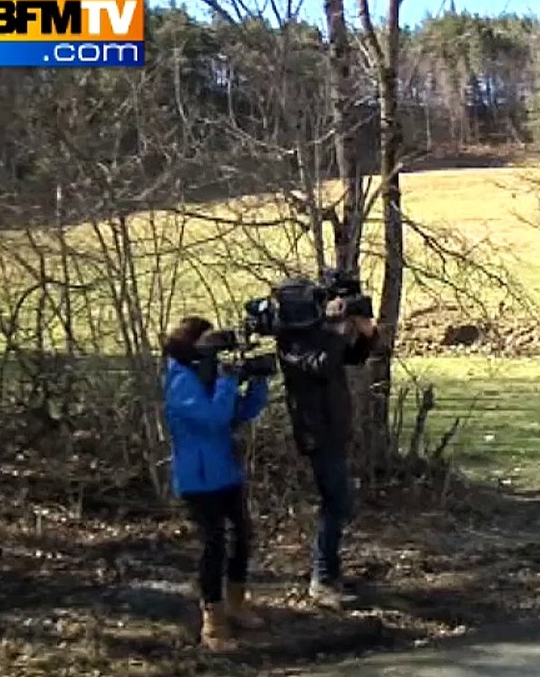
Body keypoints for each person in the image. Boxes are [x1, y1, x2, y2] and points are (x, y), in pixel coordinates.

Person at [270, 276, 381, 609]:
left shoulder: (316, 335)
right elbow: (321, 365)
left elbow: (352, 358)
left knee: (339, 502)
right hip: (315, 431)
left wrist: (364, 333)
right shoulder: (291, 341)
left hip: (332, 428)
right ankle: (321, 578)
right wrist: (334, 330)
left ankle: (329, 574)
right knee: (337, 501)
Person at [161, 315, 271, 651]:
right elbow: (212, 419)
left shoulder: (206, 377)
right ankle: (213, 620)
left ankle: (236, 602)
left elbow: (238, 413)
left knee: (242, 536)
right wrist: (226, 381)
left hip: (225, 472)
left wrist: (257, 381)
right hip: (197, 478)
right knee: (214, 546)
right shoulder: (180, 381)